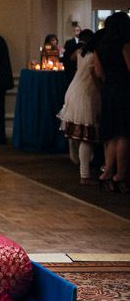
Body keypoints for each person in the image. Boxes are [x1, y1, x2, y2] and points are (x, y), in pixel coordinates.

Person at [57, 29, 101, 185]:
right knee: (86, 136)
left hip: (73, 91)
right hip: (85, 94)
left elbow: (72, 58)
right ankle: (85, 174)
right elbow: (96, 76)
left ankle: (83, 168)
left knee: (81, 135)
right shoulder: (94, 54)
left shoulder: (81, 51)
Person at [93, 11, 130, 194]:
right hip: (124, 89)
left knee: (113, 135)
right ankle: (120, 176)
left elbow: (99, 74)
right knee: (124, 134)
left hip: (109, 90)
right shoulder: (124, 44)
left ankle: (107, 172)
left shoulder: (101, 46)